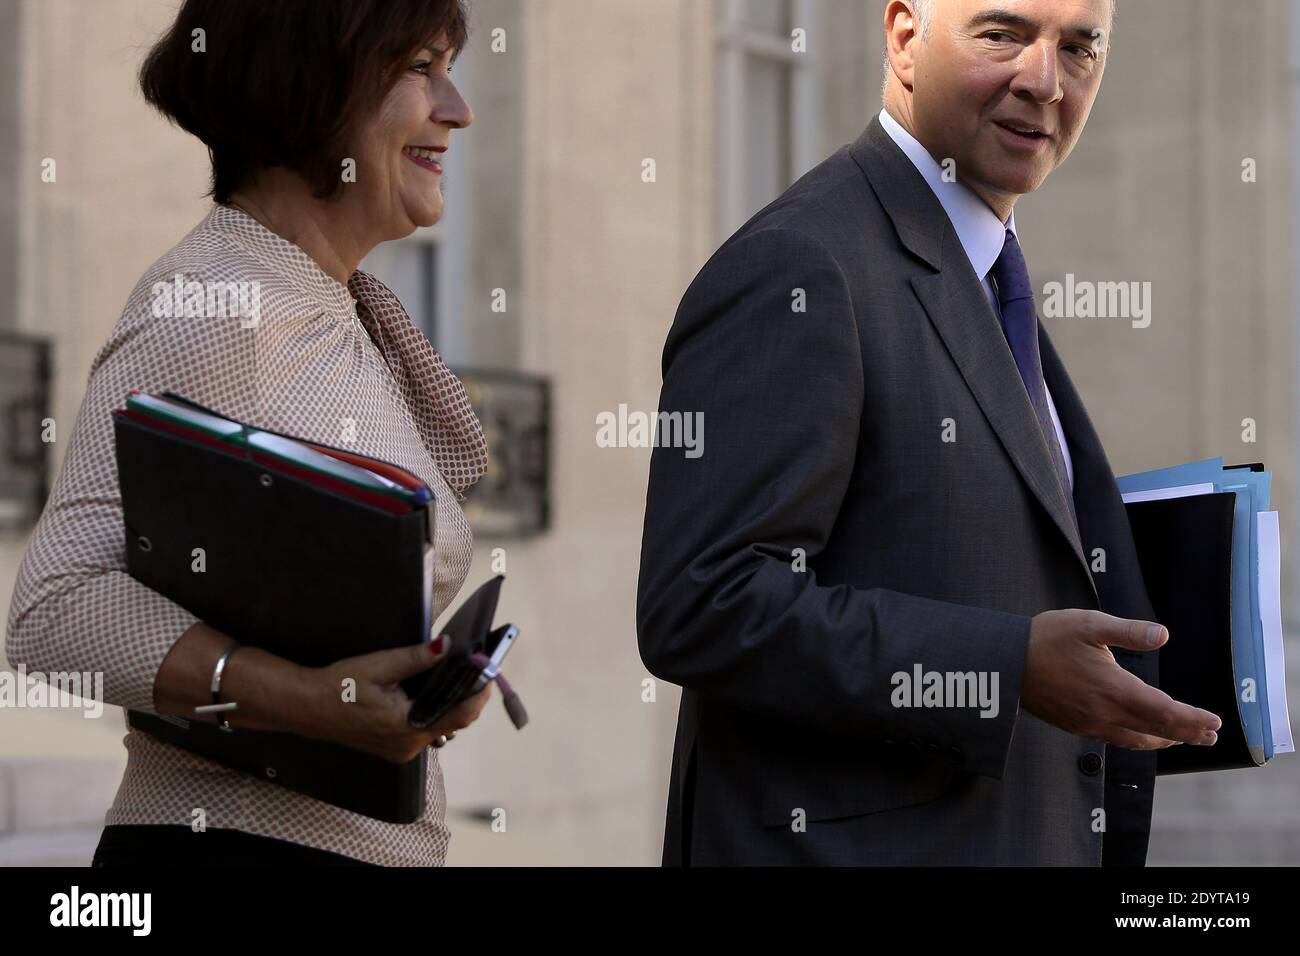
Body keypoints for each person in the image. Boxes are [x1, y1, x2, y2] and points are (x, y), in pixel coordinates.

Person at [636, 0, 1222, 866]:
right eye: (1003, 33)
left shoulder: (985, 268)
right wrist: (1003, 667)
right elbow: (701, 605)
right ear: (905, 36)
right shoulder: (800, 263)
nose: (1044, 80)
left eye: (1080, 47)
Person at [5, 0, 491, 867]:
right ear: (312, 85)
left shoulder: (323, 307)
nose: (457, 107)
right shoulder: (220, 305)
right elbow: (56, 609)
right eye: (420, 67)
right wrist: (314, 699)